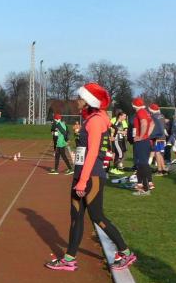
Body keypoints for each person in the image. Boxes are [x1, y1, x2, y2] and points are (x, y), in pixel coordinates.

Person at [45, 83, 136, 271]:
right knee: (76, 216)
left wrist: (83, 180)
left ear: (89, 101)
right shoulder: (92, 119)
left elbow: (93, 152)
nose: (77, 100)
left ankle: (126, 252)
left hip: (90, 176)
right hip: (83, 173)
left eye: (80, 98)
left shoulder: (95, 121)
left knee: (97, 216)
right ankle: (69, 258)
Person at [130, 97, 153, 195]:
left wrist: (141, 136)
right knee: (143, 164)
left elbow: (144, 123)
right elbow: (152, 124)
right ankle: (145, 186)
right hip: (145, 141)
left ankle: (145, 189)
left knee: (142, 164)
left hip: (142, 142)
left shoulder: (140, 112)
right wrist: (147, 135)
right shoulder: (146, 112)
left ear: (134, 105)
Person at [148, 103, 167, 175]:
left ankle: (159, 170)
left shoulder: (153, 116)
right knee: (161, 154)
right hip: (163, 137)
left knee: (157, 153)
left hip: (157, 137)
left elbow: (152, 127)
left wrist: (150, 136)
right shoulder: (162, 116)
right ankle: (164, 169)